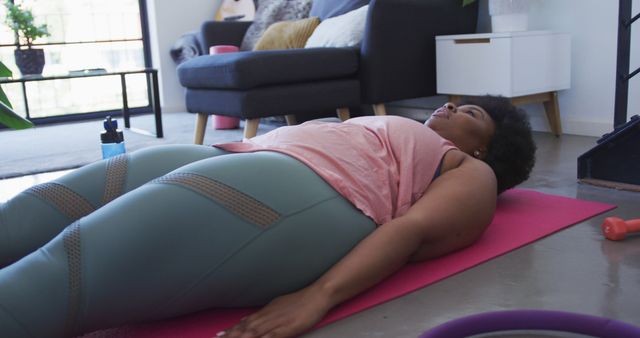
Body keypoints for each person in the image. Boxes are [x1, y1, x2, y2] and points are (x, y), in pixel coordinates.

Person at [0, 95, 535, 338]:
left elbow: (411, 231)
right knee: (26, 217)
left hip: (308, 189)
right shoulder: (394, 123)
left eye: (470, 114)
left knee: (50, 276)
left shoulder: (471, 171)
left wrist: (317, 296)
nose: (448, 107)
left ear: (486, 150)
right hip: (234, 155)